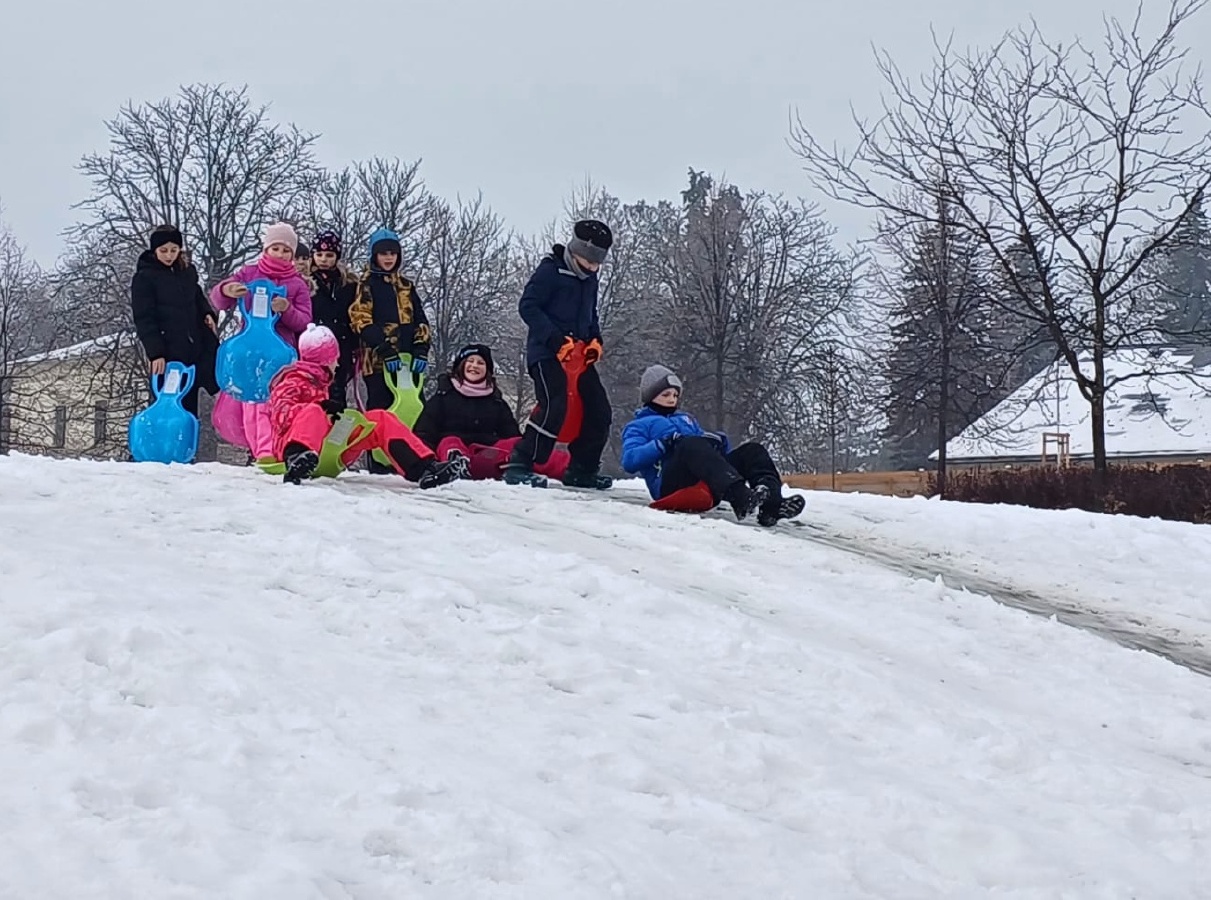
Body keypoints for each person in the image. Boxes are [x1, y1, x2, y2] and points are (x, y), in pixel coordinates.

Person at [268, 324, 468, 487]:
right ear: (325, 360)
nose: (338, 364)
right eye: (335, 359)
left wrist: (337, 416)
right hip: (289, 450)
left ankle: (424, 468)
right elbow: (280, 416)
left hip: (326, 450)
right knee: (313, 411)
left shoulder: (323, 383)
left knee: (380, 419)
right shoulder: (292, 381)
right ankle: (298, 458)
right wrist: (321, 408)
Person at [619, 365, 806, 526]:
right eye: (665, 394)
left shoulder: (686, 419)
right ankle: (740, 496)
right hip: (670, 484)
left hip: (702, 478)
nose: (672, 399)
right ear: (650, 396)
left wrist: (717, 443)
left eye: (675, 394)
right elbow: (629, 461)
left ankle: (771, 506)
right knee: (689, 444)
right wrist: (661, 444)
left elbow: (705, 453)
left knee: (752, 451)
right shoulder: (639, 425)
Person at [504, 219, 614, 489]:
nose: (592, 268)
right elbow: (528, 306)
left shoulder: (590, 279)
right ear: (575, 251)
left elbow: (591, 314)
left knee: (599, 409)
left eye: (597, 263)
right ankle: (521, 462)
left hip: (579, 356)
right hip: (546, 353)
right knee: (555, 404)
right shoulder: (550, 271)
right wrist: (554, 340)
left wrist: (595, 340)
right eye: (588, 261)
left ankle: (582, 468)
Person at [210, 222, 313, 461]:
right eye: (275, 248)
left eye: (286, 250)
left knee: (272, 401)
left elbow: (304, 321)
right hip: (250, 350)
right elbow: (218, 300)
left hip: (279, 353)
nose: (280, 254)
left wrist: (286, 309)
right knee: (249, 402)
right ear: (266, 249)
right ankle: (256, 450)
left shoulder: (297, 284)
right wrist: (227, 290)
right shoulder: (248, 273)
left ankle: (270, 450)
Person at [413, 343, 571, 480]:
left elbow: (512, 436)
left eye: (480, 363)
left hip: (487, 456)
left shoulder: (496, 401)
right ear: (460, 366)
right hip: (451, 454)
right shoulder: (442, 397)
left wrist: (515, 448)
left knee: (520, 445)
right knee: (450, 441)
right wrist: (427, 462)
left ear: (487, 370)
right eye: (470, 361)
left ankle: (569, 467)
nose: (474, 366)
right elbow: (423, 433)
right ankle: (457, 467)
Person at [130, 225, 219, 415]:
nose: (169, 255)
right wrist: (156, 353)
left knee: (209, 391)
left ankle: (196, 433)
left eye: (174, 250)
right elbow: (144, 318)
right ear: (155, 250)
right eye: (164, 250)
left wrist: (207, 313)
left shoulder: (187, 271)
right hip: (169, 351)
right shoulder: (145, 278)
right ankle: (171, 433)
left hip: (196, 345)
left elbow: (197, 296)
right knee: (172, 405)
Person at [346, 227, 431, 412]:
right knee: (382, 410)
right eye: (383, 253)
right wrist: (383, 348)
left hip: (407, 359)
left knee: (415, 408)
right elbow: (361, 320)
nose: (388, 258)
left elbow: (420, 319)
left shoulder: (406, 286)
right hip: (378, 361)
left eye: (393, 253)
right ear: (374, 256)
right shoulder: (367, 284)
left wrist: (421, 348)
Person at [306, 229, 356, 406]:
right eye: (319, 254)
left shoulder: (349, 283)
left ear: (336, 256)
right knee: (313, 393)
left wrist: (355, 344)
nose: (324, 259)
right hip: (313, 345)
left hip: (341, 345)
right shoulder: (306, 282)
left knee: (337, 394)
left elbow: (354, 315)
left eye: (329, 255)